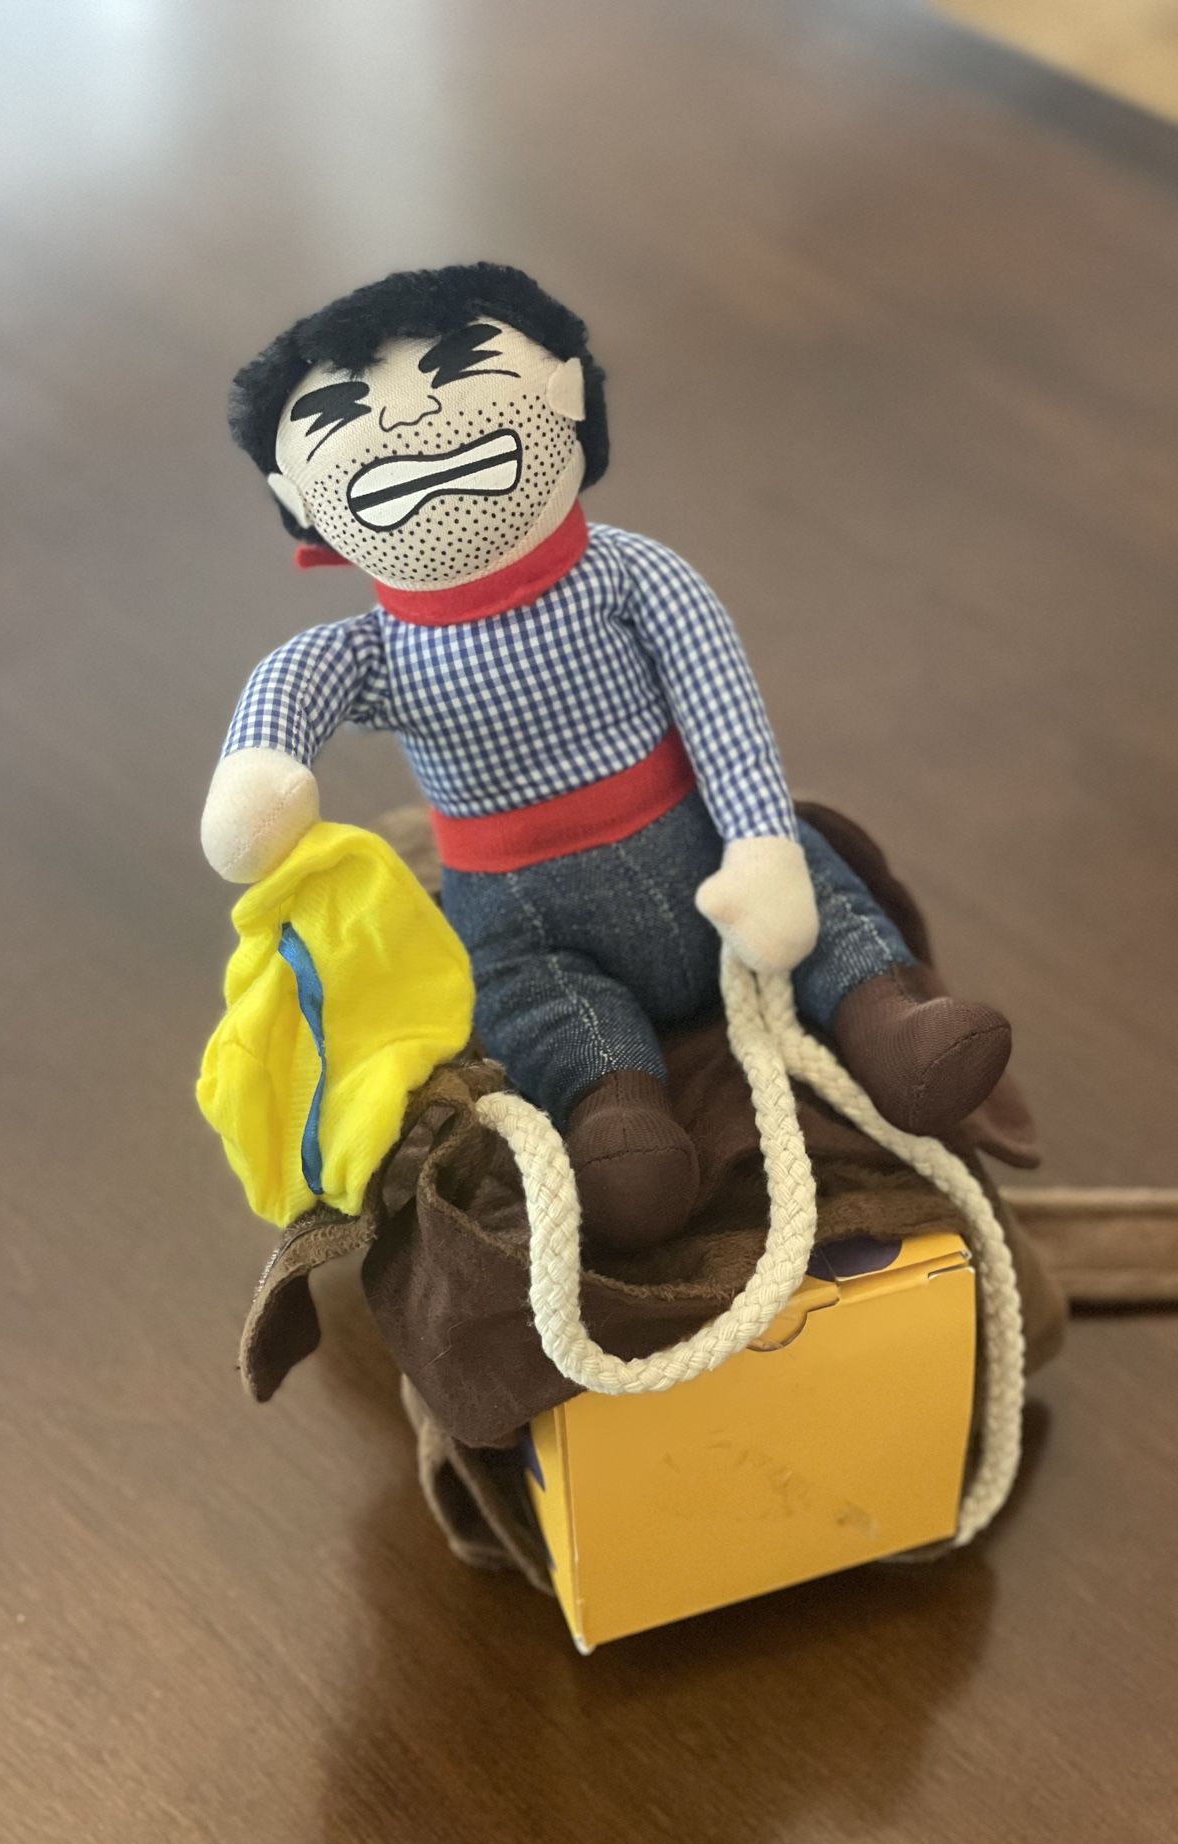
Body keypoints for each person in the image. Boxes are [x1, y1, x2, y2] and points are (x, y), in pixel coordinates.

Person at [202, 263, 1010, 1251]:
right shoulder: (371, 651)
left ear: (569, 396)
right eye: (345, 418)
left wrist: (757, 840)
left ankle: (892, 1023)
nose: (414, 424)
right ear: (295, 497)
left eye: (462, 373)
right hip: (522, 912)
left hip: (696, 842)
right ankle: (616, 1124)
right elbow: (288, 688)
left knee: (813, 877)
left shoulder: (632, 575)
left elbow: (723, 711)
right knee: (534, 999)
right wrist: (259, 776)